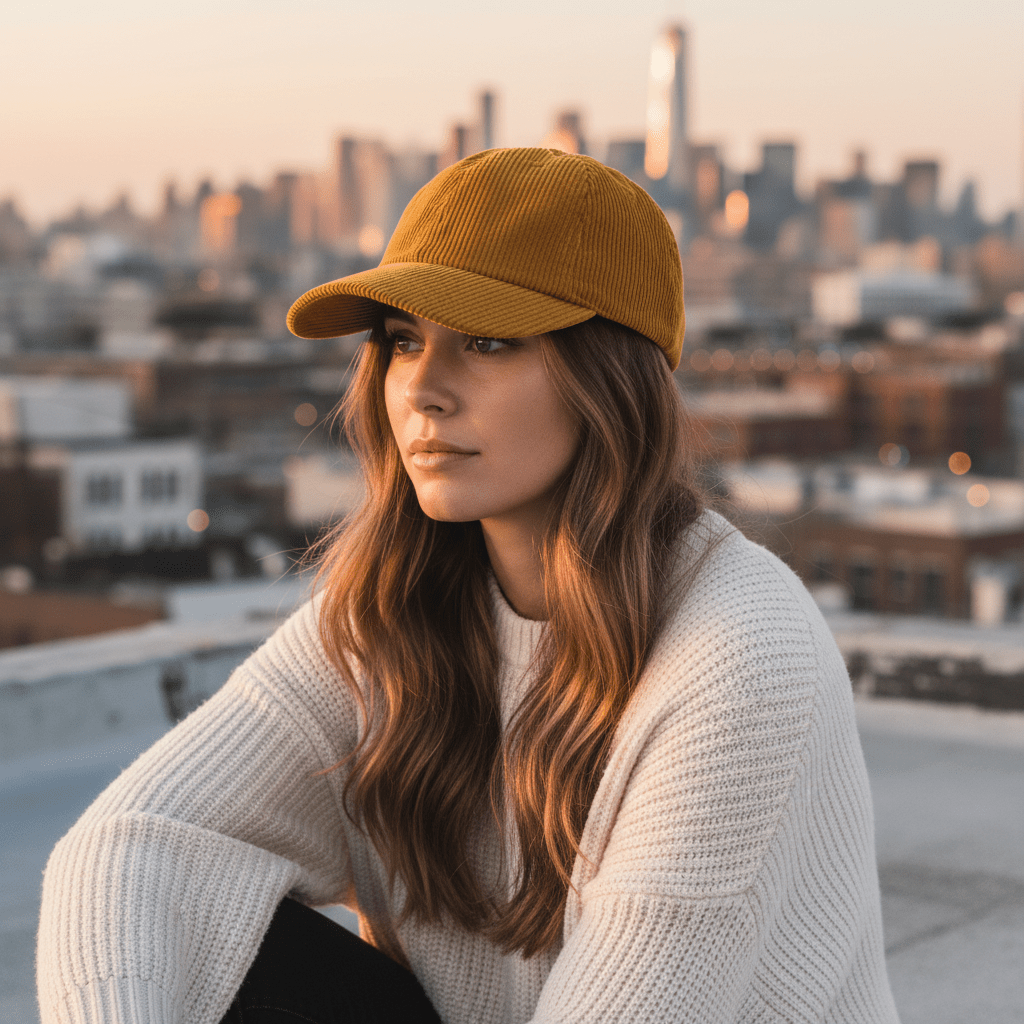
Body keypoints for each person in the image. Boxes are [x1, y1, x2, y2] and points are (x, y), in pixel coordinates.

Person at [37, 148, 901, 1024]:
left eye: (488, 343)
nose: (423, 390)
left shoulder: (742, 657)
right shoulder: (388, 605)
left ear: (611, 377)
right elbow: (125, 850)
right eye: (403, 342)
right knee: (190, 921)